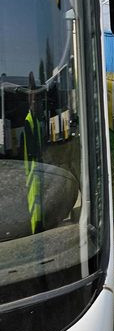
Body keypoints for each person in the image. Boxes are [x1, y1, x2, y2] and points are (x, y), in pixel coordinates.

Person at [22, 72, 43, 235]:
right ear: (30, 102)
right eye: (34, 101)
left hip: (37, 167)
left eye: (38, 101)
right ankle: (35, 228)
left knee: (39, 199)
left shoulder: (35, 120)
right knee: (34, 199)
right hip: (32, 170)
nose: (37, 104)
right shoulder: (28, 122)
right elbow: (32, 150)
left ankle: (39, 224)